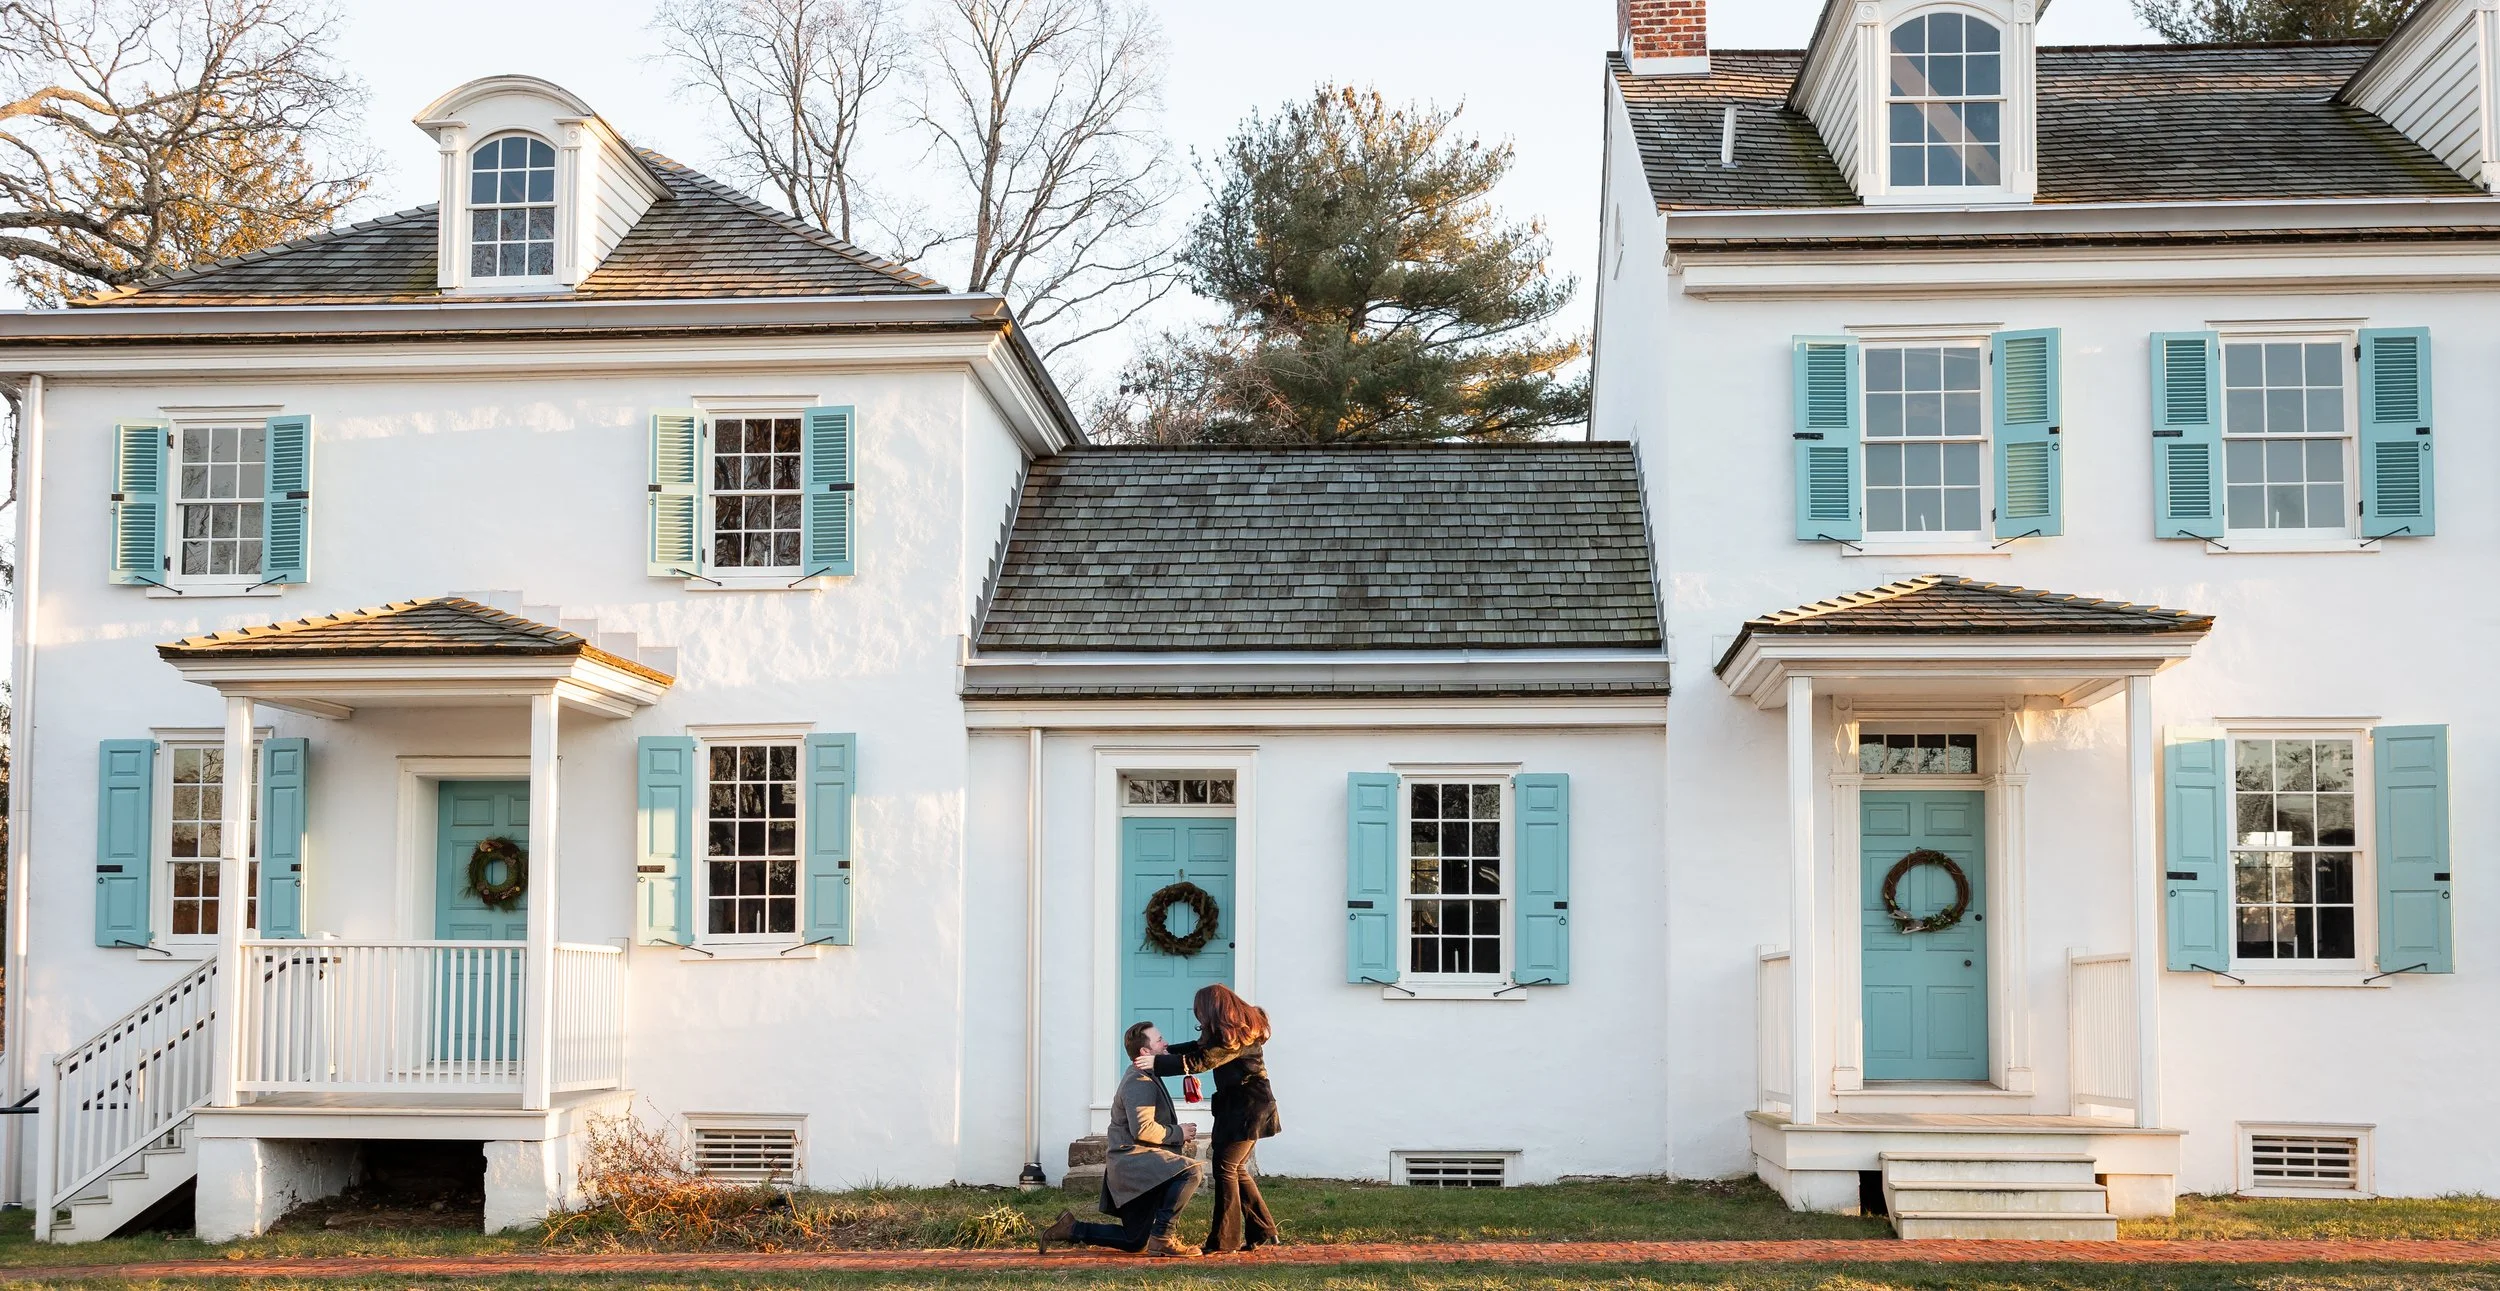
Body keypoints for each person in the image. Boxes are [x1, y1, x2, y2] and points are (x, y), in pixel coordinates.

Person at [1037, 1021, 1203, 1258]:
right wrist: (1179, 1132)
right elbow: (1143, 1130)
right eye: (1159, 1040)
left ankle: (1071, 1229)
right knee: (1190, 1171)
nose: (1165, 1043)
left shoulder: (1147, 1074)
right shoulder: (1139, 1081)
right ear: (1145, 1051)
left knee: (1135, 1241)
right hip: (1134, 1165)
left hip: (1141, 1165)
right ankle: (1164, 1238)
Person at [1137, 983, 1280, 1254]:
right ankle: (1263, 1230)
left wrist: (1157, 1063)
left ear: (1213, 1010)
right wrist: (1165, 1053)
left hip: (1247, 1109)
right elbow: (1197, 1048)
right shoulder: (1231, 1030)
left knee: (1225, 1168)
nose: (1199, 1019)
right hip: (1241, 1108)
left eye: (1201, 1013)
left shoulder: (1238, 1035)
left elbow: (1202, 1061)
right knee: (1235, 1168)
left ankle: (1224, 1242)